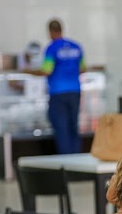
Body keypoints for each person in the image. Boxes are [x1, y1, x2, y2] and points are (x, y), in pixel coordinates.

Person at [27, 19, 85, 154]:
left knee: (61, 130)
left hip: (58, 93)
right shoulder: (76, 46)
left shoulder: (52, 48)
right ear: (62, 29)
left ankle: (66, 163)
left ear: (50, 32)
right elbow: (82, 69)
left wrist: (27, 71)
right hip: (75, 92)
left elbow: (46, 70)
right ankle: (77, 160)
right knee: (73, 128)